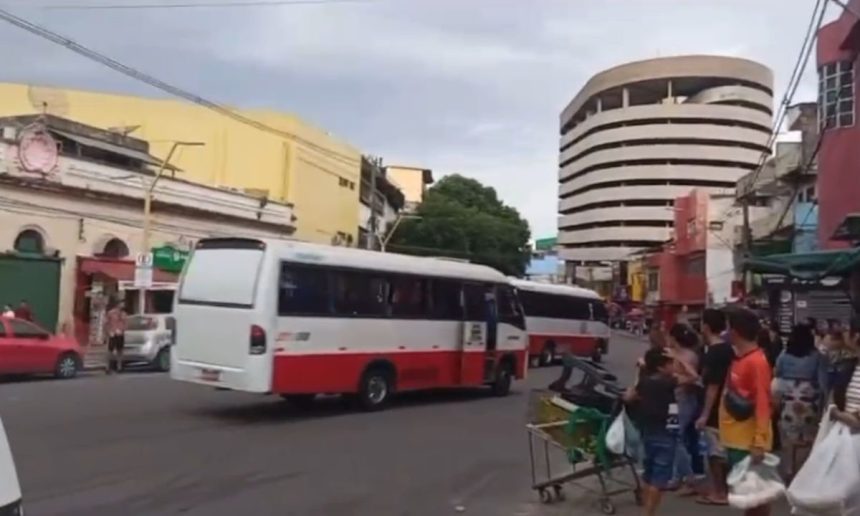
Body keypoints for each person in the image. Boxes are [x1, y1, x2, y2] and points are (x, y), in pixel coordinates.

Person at [720, 307, 773, 516]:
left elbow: (763, 403)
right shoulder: (739, 359)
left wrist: (759, 441)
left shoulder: (756, 362)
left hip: (748, 442)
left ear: (735, 331)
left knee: (756, 499)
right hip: (735, 439)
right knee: (747, 498)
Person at [624, 348, 678, 516]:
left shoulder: (645, 382)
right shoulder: (669, 382)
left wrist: (643, 369)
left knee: (649, 473)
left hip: (647, 431)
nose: (673, 366)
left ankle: (647, 511)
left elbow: (629, 397)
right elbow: (693, 376)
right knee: (659, 478)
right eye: (670, 363)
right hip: (666, 433)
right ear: (661, 367)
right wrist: (678, 357)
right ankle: (648, 513)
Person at [772, 324, 828, 479]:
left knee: (788, 437)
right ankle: (801, 470)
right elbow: (823, 382)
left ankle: (788, 469)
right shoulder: (817, 356)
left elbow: (777, 374)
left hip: (788, 400)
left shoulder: (784, 355)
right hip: (809, 401)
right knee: (807, 437)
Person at [695, 308, 732, 506]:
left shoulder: (716, 352)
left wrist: (704, 414)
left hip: (716, 409)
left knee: (715, 452)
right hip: (725, 406)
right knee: (719, 450)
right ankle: (721, 488)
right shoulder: (726, 349)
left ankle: (720, 492)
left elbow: (712, 387)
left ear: (706, 327)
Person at [664, 323, 704, 494]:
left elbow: (693, 377)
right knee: (675, 437)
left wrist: (676, 368)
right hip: (673, 400)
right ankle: (677, 476)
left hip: (685, 400)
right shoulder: (668, 352)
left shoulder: (689, 356)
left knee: (676, 437)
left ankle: (688, 477)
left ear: (674, 337)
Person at [104, 300, 128, 374]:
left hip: (120, 334)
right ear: (117, 305)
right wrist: (109, 332)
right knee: (110, 351)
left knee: (120, 351)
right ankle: (107, 367)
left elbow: (126, 324)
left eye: (123, 304)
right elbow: (106, 323)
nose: (122, 306)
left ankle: (119, 367)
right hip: (113, 334)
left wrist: (122, 330)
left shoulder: (124, 314)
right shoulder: (111, 313)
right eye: (121, 304)